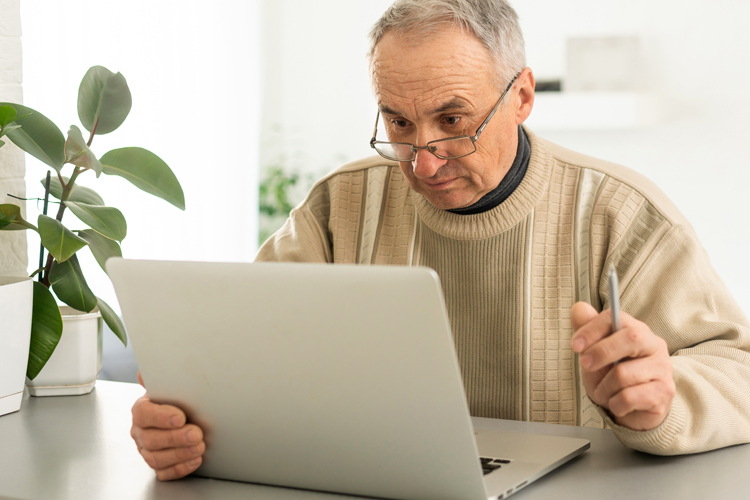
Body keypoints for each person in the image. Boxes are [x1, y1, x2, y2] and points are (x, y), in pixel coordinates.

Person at [130, 0, 750, 480]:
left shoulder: (623, 213)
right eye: (399, 123)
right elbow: (242, 357)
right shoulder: (337, 206)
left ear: (523, 96)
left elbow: (737, 370)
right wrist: (184, 420)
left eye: (453, 121)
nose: (423, 162)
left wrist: (663, 399)